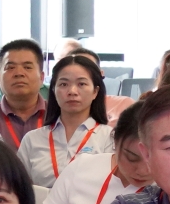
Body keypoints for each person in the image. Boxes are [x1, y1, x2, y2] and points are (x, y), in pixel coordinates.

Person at [41, 103, 148, 204]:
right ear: (115, 141)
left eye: (152, 159)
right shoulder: (83, 168)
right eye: (132, 158)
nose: (143, 170)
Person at [25, 51, 111, 193]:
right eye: (64, 84)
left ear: (95, 91)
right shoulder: (32, 139)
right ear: (53, 90)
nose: (72, 91)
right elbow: (19, 189)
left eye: (81, 84)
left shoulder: (109, 138)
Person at [0, 38, 56, 145]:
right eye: (10, 67)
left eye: (27, 67)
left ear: (41, 77)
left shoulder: (59, 117)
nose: (19, 73)